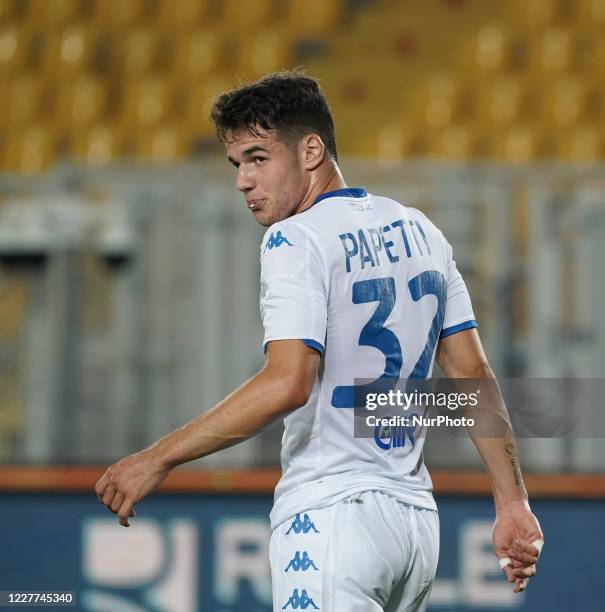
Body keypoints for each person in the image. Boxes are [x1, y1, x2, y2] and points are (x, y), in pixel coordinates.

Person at [95, 70, 543, 611]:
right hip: (416, 527)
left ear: (312, 150)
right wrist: (512, 499)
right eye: (237, 164)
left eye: (259, 158)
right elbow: (471, 376)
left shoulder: (295, 238)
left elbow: (288, 383)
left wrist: (158, 457)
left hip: (331, 516)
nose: (243, 180)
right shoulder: (420, 229)